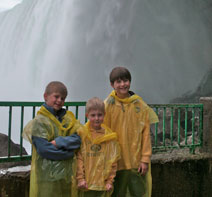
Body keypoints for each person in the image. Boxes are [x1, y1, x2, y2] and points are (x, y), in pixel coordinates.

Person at [104, 67, 159, 197]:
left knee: (138, 192)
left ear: (130, 81)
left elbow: (145, 133)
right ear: (112, 85)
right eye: (118, 81)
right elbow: (103, 134)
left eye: (125, 80)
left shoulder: (139, 105)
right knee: (116, 192)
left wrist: (145, 159)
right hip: (116, 161)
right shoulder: (108, 105)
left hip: (136, 161)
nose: (123, 84)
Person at [22, 81, 82, 197]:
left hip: (65, 176)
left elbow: (78, 139)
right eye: (56, 96)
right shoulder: (39, 121)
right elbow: (44, 149)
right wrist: (69, 154)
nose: (59, 100)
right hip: (46, 177)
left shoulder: (67, 119)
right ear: (45, 96)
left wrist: (59, 142)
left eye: (63, 98)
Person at [76, 97, 120, 197]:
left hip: (102, 185)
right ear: (87, 115)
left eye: (99, 115)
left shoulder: (109, 137)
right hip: (86, 185)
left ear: (104, 114)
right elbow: (79, 159)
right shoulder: (83, 134)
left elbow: (113, 161)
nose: (96, 118)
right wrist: (80, 179)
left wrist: (110, 181)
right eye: (93, 115)